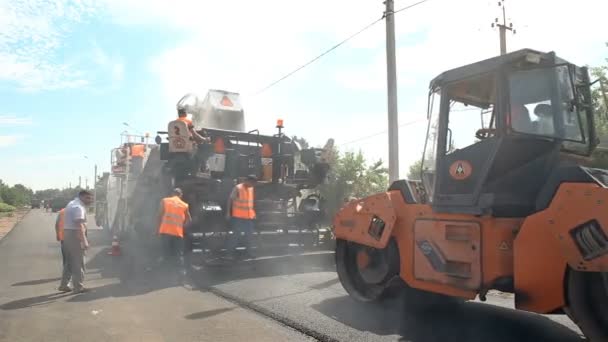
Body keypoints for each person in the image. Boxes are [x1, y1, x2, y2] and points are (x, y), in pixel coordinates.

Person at [58, 190, 94, 293]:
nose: (90, 200)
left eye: (91, 198)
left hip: (67, 234)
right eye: (88, 198)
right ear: (82, 197)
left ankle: (64, 285)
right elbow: (80, 226)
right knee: (78, 262)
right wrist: (84, 241)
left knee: (69, 262)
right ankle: (78, 287)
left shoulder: (72, 203)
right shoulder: (79, 207)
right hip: (74, 235)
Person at [157, 188, 192, 269]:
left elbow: (159, 216)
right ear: (181, 195)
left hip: (165, 232)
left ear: (172, 194)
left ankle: (166, 273)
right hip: (177, 234)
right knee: (178, 255)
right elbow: (189, 220)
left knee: (165, 253)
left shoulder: (164, 201)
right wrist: (182, 228)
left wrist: (157, 229)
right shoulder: (184, 205)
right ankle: (180, 277)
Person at [225, 175, 257, 260]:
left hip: (249, 217)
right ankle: (229, 254)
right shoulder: (238, 188)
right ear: (247, 181)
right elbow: (230, 200)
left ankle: (249, 253)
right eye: (251, 183)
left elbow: (250, 203)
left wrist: (253, 213)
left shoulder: (251, 188)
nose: (252, 185)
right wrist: (228, 213)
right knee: (235, 236)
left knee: (249, 236)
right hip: (238, 217)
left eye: (253, 184)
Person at [55, 208, 71, 292]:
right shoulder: (76, 211)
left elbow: (57, 224)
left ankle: (65, 281)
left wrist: (57, 234)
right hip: (72, 239)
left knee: (66, 261)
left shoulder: (62, 211)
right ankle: (65, 284)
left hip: (63, 238)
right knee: (71, 262)